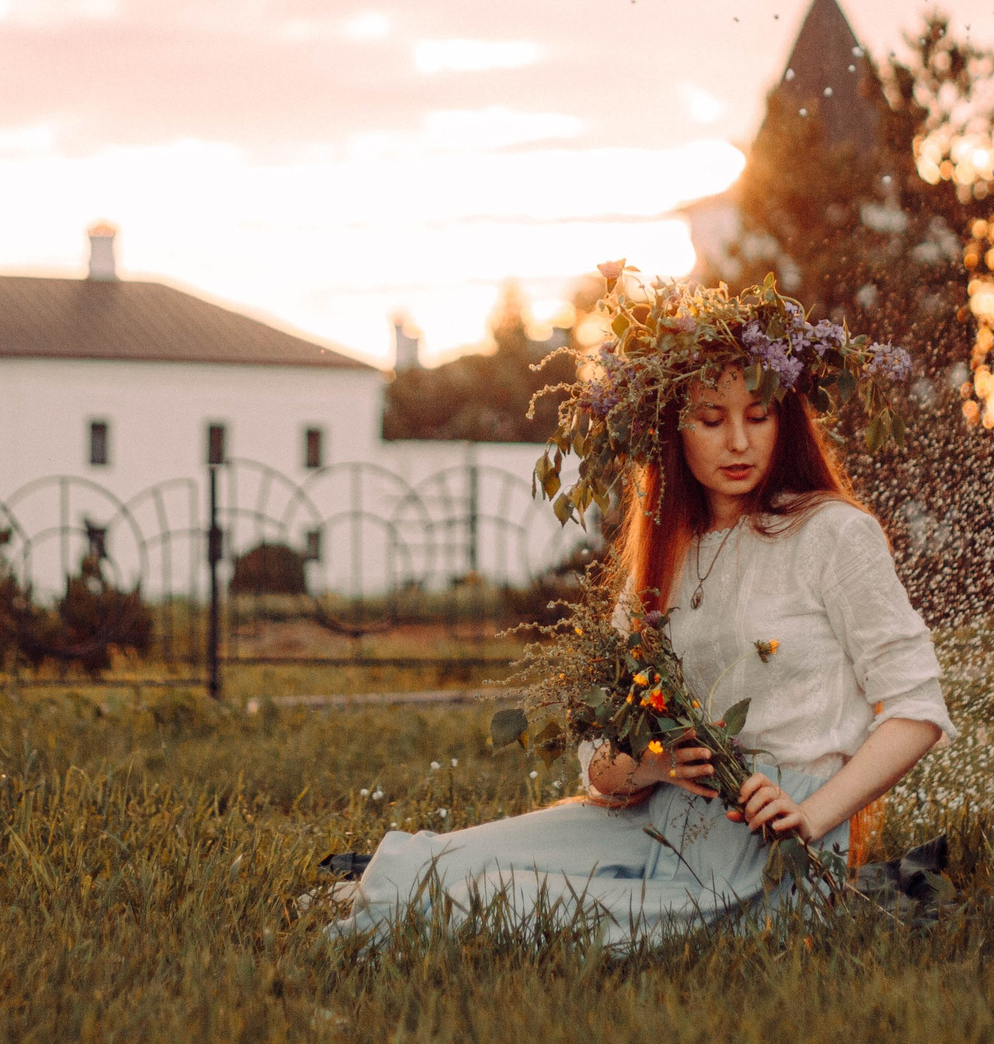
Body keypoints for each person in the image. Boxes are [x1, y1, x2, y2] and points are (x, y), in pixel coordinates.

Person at [328, 292, 953, 949]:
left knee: (482, 901)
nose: (739, 441)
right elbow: (600, 758)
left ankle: (381, 928)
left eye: (759, 415)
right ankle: (376, 905)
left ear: (784, 419)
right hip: (652, 819)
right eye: (710, 419)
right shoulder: (664, 552)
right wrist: (656, 765)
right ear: (671, 430)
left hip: (765, 853)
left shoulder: (833, 533)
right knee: (423, 865)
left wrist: (811, 813)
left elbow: (917, 709)